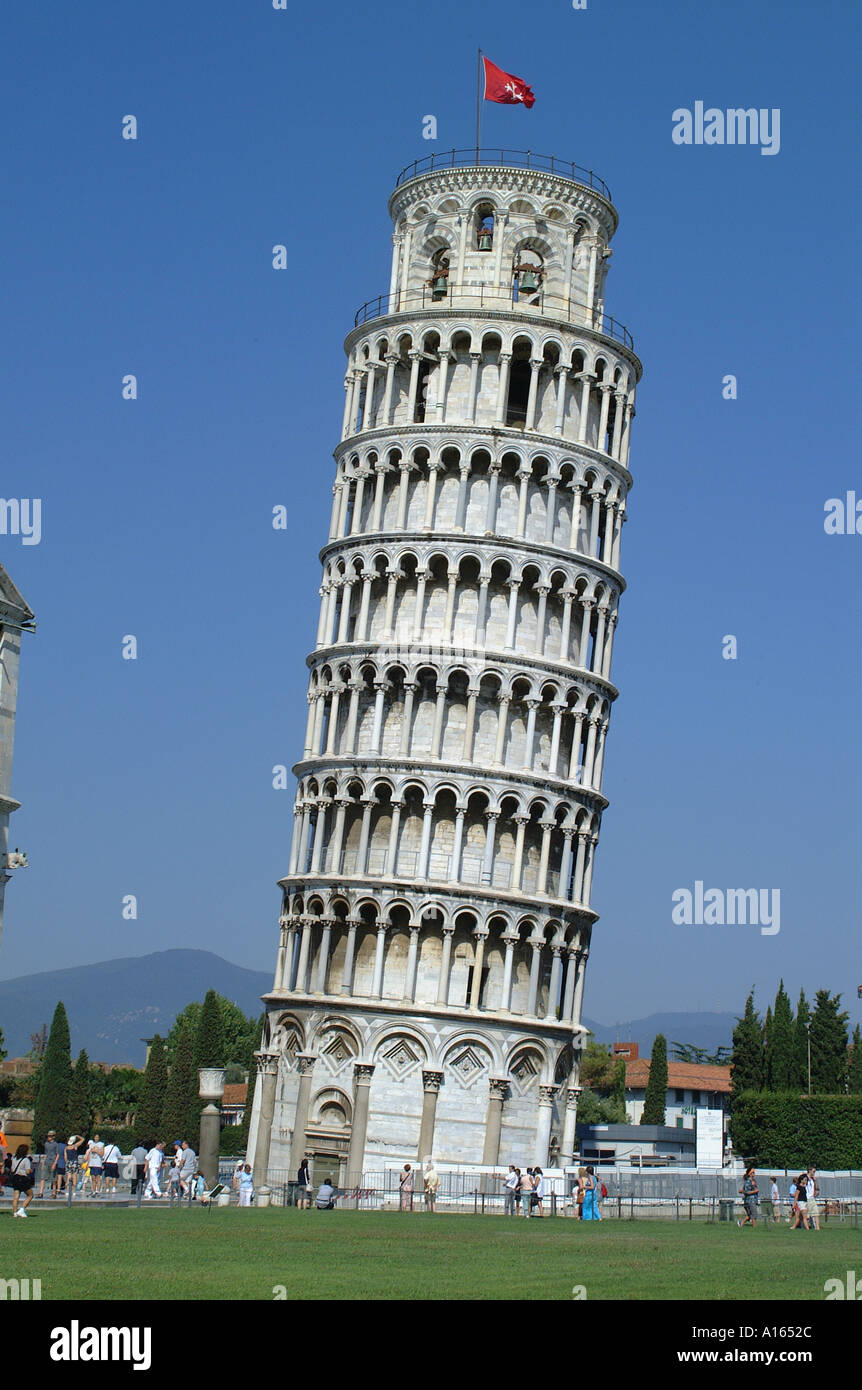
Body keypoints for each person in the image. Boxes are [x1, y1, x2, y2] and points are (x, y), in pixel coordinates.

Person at [9, 1144, 35, 1218]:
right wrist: (31, 1170)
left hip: (15, 1178)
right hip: (23, 1178)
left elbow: (12, 1169)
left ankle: (14, 1212)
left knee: (16, 1196)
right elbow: (27, 1172)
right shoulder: (26, 1160)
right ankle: (22, 1209)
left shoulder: (14, 1158)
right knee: (30, 1195)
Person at [41, 1130, 61, 1199]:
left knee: (53, 1179)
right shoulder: (46, 1144)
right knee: (43, 1178)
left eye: (50, 1136)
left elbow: (58, 1154)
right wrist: (43, 1162)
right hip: (47, 1162)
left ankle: (53, 1193)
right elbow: (46, 1154)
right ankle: (41, 1192)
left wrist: (55, 1163)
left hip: (53, 1162)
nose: (48, 1137)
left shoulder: (56, 1144)